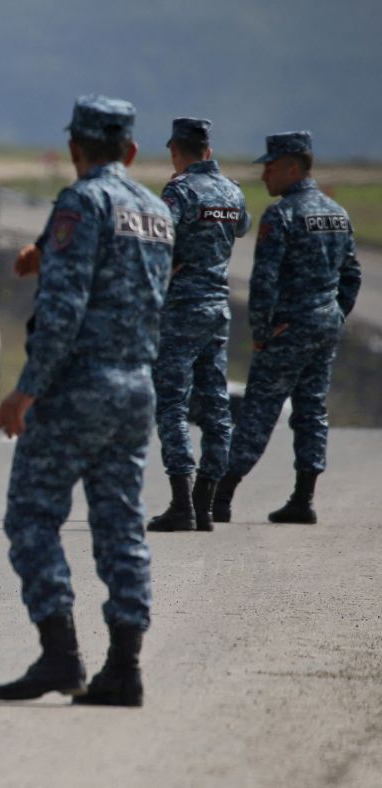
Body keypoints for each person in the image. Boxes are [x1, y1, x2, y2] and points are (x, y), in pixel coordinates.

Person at [0, 95, 173, 708]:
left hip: (78, 389)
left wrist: (26, 390)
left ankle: (61, 655)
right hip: (135, 386)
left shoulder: (80, 201)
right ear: (130, 151)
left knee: (32, 516)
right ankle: (125, 667)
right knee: (122, 525)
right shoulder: (154, 210)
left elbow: (65, 312)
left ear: (75, 148)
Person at [212, 132, 361, 524]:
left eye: (271, 167)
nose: (265, 176)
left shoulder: (282, 215)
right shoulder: (337, 213)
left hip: (288, 328)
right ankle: (303, 497)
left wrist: (262, 333)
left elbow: (264, 282)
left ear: (293, 168)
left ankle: (221, 495)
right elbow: (352, 275)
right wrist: (334, 313)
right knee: (312, 409)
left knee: (259, 409)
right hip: (324, 326)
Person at [146, 118, 250, 532]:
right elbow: (241, 226)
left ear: (175, 150)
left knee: (171, 402)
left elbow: (157, 239)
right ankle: (204, 504)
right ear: (208, 150)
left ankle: (181, 503)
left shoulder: (180, 190)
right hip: (217, 309)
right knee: (215, 406)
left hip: (182, 308)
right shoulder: (232, 190)